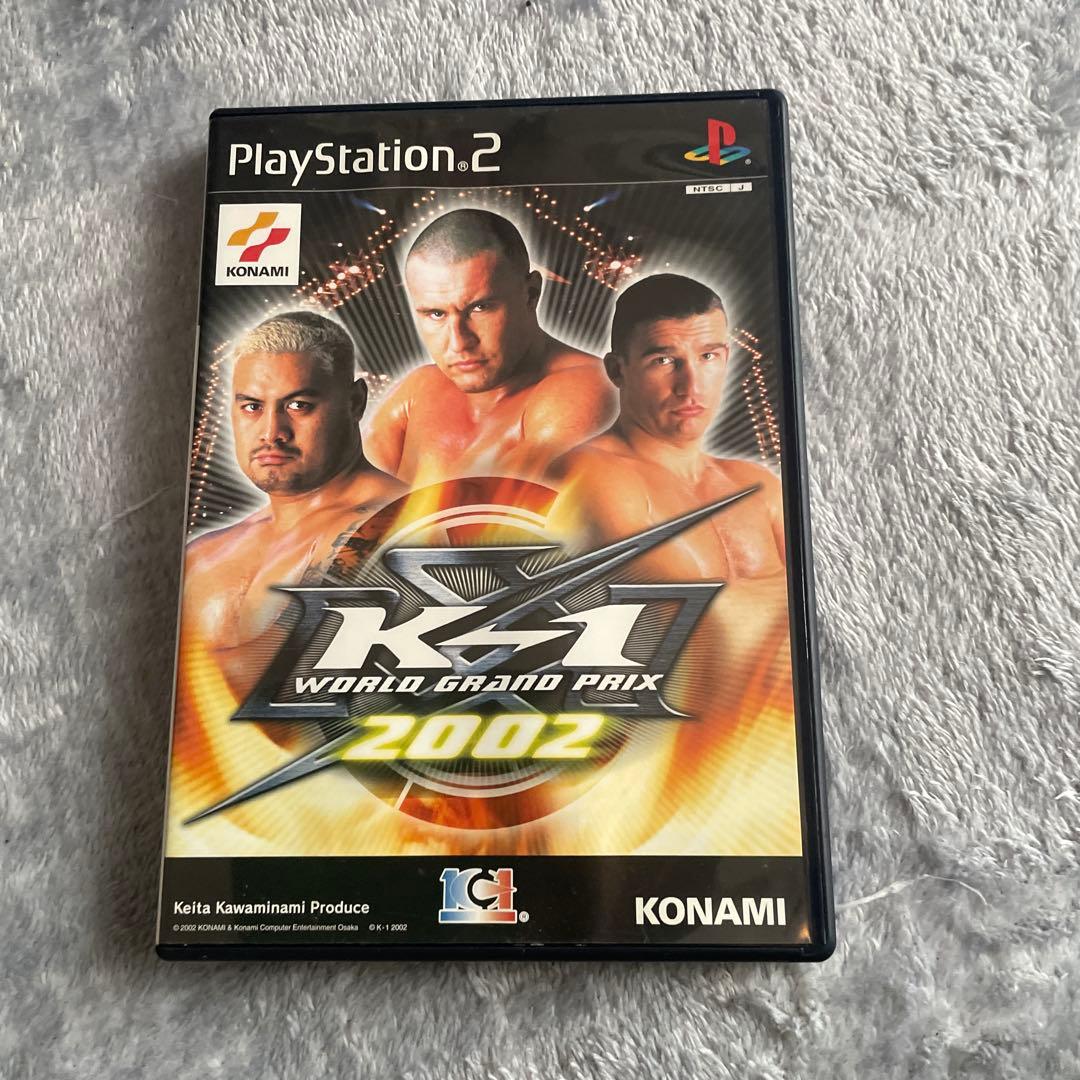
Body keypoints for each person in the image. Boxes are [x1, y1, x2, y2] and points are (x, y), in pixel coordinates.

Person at [181, 310, 405, 699]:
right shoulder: (202, 554)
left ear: (355, 402)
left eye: (298, 405)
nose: (272, 432)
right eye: (252, 407)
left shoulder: (403, 525)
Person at [549, 273, 785, 583]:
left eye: (708, 356)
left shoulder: (757, 483)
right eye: (664, 360)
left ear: (726, 358)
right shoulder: (588, 474)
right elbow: (674, 605)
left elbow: (813, 595)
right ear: (617, 370)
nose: (691, 386)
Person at [364, 208, 616, 484]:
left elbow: (496, 510)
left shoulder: (586, 388)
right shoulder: (419, 388)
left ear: (531, 294)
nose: (459, 343)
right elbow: (346, 494)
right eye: (436, 314)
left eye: (480, 308)